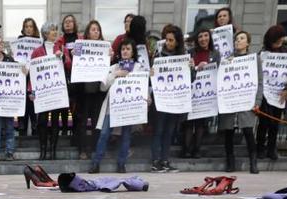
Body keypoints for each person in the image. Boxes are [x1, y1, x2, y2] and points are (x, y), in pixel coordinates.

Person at [90, 39, 141, 173]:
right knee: (104, 133)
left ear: (133, 52)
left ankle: (121, 163)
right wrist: (115, 75)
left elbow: (142, 85)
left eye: (128, 49)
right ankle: (96, 163)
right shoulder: (113, 68)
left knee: (126, 135)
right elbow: (102, 87)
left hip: (129, 107)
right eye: (123, 49)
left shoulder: (138, 67)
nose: (125, 51)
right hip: (112, 107)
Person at [217, 31, 259, 174]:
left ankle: (254, 162)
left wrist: (257, 101)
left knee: (248, 132)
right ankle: (230, 162)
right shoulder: (228, 60)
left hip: (246, 101)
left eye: (241, 39)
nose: (238, 41)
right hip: (231, 102)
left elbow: (259, 82)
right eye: (236, 39)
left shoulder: (254, 59)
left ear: (247, 43)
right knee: (229, 133)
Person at [149, 24, 187, 173]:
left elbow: (189, 81)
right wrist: (151, 74)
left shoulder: (183, 57)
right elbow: (151, 80)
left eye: (171, 40)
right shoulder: (158, 56)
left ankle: (165, 160)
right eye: (167, 40)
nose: (168, 42)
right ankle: (155, 161)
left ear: (177, 42)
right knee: (158, 131)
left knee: (169, 132)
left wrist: (190, 68)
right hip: (160, 101)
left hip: (175, 101)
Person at [30, 22, 70, 160]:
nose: (55, 32)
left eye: (56, 30)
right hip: (42, 93)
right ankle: (43, 150)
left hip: (56, 91)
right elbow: (33, 73)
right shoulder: (36, 52)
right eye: (53, 30)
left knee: (54, 121)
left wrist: (63, 57)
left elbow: (69, 64)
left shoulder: (61, 48)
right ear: (46, 33)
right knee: (41, 122)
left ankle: (52, 151)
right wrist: (31, 91)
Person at [256, 25, 287, 161]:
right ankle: (260, 148)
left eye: (280, 39)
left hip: (280, 93)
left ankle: (271, 148)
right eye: (275, 40)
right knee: (263, 122)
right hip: (265, 93)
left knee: (275, 123)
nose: (278, 42)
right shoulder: (262, 53)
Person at [182, 27, 220, 158]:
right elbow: (185, 71)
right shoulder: (190, 52)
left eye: (205, 36)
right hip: (191, 92)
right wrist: (197, 67)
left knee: (200, 123)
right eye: (200, 37)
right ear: (197, 39)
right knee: (188, 122)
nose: (203, 39)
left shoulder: (215, 53)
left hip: (206, 93)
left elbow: (218, 72)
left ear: (209, 37)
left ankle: (196, 149)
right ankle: (186, 150)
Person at [74, 20, 108, 160]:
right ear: (88, 32)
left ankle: (93, 148)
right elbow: (74, 62)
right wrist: (74, 53)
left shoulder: (105, 47)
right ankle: (82, 149)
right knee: (82, 122)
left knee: (95, 122)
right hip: (84, 92)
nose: (96, 32)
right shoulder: (81, 46)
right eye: (93, 29)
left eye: (98, 30)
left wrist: (110, 56)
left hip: (98, 92)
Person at [58, 15, 80, 139]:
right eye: (65, 21)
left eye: (70, 21)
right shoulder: (60, 41)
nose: (68, 23)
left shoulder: (81, 39)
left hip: (78, 76)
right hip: (64, 75)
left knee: (76, 105)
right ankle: (65, 128)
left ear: (74, 23)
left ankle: (74, 129)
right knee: (64, 104)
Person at [17, 18, 40, 137]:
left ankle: (35, 129)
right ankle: (22, 129)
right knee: (23, 105)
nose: (28, 29)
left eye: (31, 26)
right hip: (21, 77)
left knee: (33, 105)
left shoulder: (39, 42)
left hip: (34, 78)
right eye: (26, 26)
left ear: (34, 28)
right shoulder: (19, 41)